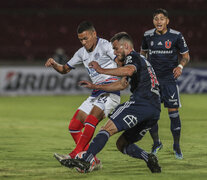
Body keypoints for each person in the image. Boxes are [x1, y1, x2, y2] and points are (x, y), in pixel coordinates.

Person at [58, 32, 162, 173]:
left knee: (106, 130)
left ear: (126, 46)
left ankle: (85, 160)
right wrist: (96, 87)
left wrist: (101, 69)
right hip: (154, 110)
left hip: (141, 103)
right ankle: (148, 158)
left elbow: (129, 70)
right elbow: (121, 85)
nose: (114, 52)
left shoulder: (132, 57)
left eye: (116, 48)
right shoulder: (141, 60)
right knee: (122, 144)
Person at [45, 21, 121, 167]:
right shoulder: (81, 53)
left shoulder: (105, 46)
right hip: (95, 92)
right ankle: (94, 161)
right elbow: (65, 69)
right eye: (81, 39)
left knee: (90, 120)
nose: (84, 42)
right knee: (74, 126)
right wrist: (55, 64)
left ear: (94, 34)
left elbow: (121, 63)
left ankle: (75, 155)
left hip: (110, 91)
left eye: (86, 38)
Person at [140, 8, 190, 159]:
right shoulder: (148, 35)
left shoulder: (176, 36)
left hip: (169, 80)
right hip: (153, 80)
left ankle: (177, 145)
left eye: (162, 19)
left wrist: (180, 67)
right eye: (156, 19)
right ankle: (157, 143)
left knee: (173, 114)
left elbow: (186, 56)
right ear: (153, 21)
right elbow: (142, 53)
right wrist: (144, 67)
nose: (158, 21)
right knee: (151, 115)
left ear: (167, 21)